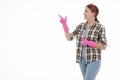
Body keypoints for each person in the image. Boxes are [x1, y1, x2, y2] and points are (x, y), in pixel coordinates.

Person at [58, 3, 107, 80]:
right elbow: (69, 38)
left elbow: (103, 46)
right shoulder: (81, 26)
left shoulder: (99, 27)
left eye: (86, 11)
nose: (84, 13)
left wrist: (88, 43)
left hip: (93, 59)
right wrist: (64, 25)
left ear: (93, 13)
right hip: (82, 60)